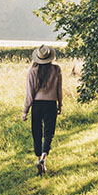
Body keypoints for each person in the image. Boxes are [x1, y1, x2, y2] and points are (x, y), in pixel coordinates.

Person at [22, 44, 63, 176]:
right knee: (49, 132)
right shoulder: (56, 70)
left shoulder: (33, 71)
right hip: (51, 103)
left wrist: (25, 110)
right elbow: (59, 89)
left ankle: (38, 158)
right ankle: (44, 158)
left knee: (37, 132)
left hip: (37, 105)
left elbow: (30, 93)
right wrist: (60, 104)